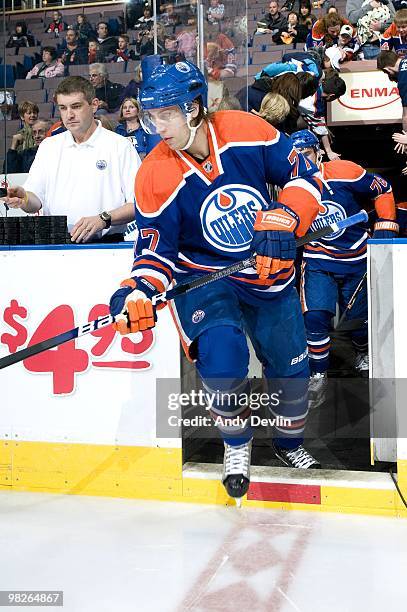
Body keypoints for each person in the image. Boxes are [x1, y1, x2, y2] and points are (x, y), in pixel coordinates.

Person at [108, 61, 325, 504]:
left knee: (292, 374)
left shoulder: (247, 129)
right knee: (223, 365)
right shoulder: (153, 173)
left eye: (165, 113)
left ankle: (288, 445)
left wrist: (288, 216)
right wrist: (139, 291)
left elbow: (305, 177)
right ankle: (236, 444)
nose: (156, 125)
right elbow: (155, 252)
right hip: (205, 278)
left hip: (268, 272)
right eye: (151, 116)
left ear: (193, 108)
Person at [290, 130, 397, 402]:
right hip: (318, 259)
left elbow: (382, 188)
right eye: (296, 158)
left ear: (319, 152)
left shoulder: (344, 171)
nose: (303, 162)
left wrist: (385, 223)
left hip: (356, 257)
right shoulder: (289, 184)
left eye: (307, 155)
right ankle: (318, 374)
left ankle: (362, 352)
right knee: (314, 318)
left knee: (359, 322)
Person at [3, 76, 140, 244]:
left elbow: (137, 204)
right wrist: (23, 198)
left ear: (94, 105)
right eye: (63, 108)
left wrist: (102, 219)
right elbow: (34, 202)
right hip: (56, 244)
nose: (69, 115)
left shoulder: (120, 146)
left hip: (106, 245)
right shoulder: (49, 146)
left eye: (76, 106)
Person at [377, 49, 407, 129]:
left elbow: (406, 115)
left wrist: (405, 136)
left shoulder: (403, 79)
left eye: (386, 72)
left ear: (386, 69)